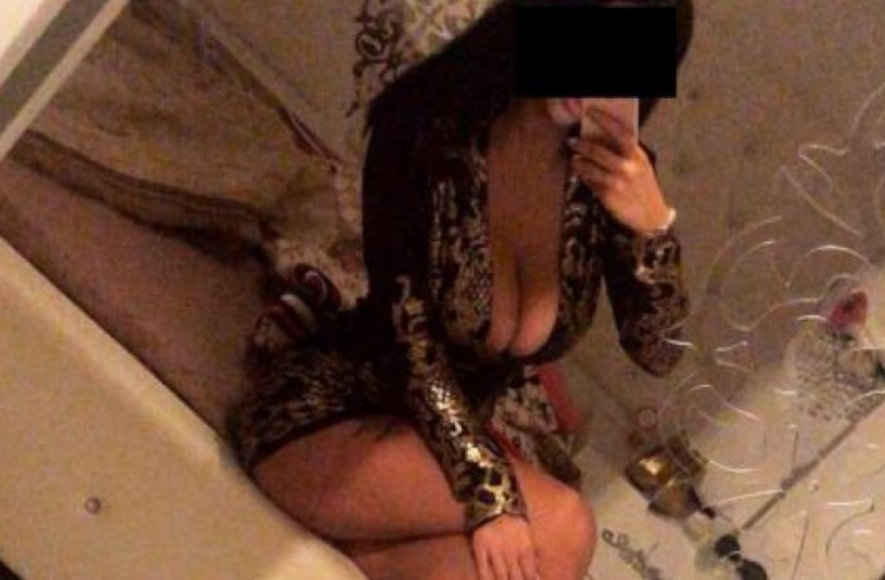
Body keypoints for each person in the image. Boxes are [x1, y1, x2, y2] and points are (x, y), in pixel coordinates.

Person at [231, 1, 694, 579]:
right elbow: (412, 342)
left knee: (545, 554)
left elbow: (659, 352)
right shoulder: (431, 125)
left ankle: (360, 551)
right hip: (333, 416)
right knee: (565, 524)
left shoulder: (611, 180)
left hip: (437, 455)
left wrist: (654, 231)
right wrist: (488, 490)